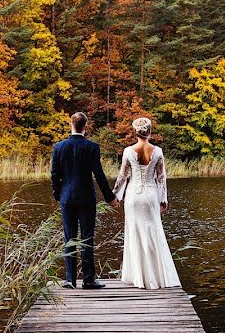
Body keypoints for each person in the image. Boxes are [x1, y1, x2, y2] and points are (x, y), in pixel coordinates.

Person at [51, 112, 119, 289]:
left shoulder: (59, 147)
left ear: (70, 125)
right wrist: (109, 197)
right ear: (85, 126)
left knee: (69, 238)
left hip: (67, 198)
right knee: (87, 238)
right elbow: (99, 175)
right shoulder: (92, 147)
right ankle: (88, 279)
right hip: (87, 198)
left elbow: (54, 174)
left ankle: (70, 280)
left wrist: (58, 195)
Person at [112, 117, 181, 289]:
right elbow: (161, 177)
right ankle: (155, 276)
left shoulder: (128, 151)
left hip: (133, 197)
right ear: (149, 132)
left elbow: (123, 176)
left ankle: (138, 276)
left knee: (134, 232)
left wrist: (115, 195)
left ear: (136, 133)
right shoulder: (157, 151)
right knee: (153, 232)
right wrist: (163, 198)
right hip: (150, 195)